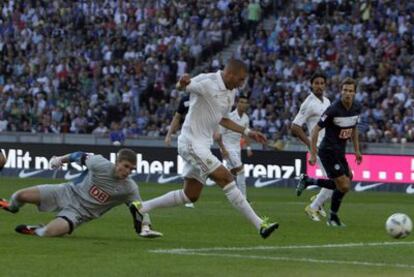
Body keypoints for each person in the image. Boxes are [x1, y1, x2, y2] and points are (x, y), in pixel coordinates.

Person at [130, 59, 278, 239]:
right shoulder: (207, 82)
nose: (241, 84)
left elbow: (223, 119)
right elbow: (182, 87)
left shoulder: (231, 93)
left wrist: (248, 132)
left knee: (190, 195)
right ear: (230, 74)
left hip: (203, 145)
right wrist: (181, 82)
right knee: (227, 177)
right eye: (240, 79)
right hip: (191, 143)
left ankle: (141, 207)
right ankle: (260, 225)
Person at [0, 148, 163, 238]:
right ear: (117, 162)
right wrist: (59, 160)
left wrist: (146, 227)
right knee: (20, 196)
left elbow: (139, 208)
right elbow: (79, 155)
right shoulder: (100, 164)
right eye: (125, 166)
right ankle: (11, 207)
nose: (127, 171)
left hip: (79, 213)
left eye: (132, 169)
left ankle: (35, 230)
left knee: (49, 233)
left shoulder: (129, 188)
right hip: (66, 192)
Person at [296, 78, 362, 227]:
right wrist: (313, 153)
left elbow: (354, 128)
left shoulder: (357, 108)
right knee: (343, 186)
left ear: (355, 93)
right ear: (341, 91)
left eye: (350, 91)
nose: (347, 93)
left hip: (340, 152)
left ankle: (309, 181)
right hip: (328, 151)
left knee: (348, 179)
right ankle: (333, 217)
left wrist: (357, 150)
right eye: (345, 90)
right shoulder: (333, 109)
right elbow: (315, 130)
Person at [291, 71, 332, 222]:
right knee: (335, 181)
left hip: (330, 146)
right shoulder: (308, 103)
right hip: (319, 147)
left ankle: (316, 197)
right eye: (316, 83)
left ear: (325, 85)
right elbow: (295, 127)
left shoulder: (327, 101)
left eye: (322, 83)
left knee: (342, 180)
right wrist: (311, 145)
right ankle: (313, 206)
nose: (319, 86)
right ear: (311, 85)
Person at [215, 95, 253, 198]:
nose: (243, 104)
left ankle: (214, 176)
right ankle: (243, 198)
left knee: (232, 173)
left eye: (245, 102)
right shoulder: (229, 117)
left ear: (247, 105)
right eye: (241, 102)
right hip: (227, 146)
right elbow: (218, 136)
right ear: (237, 103)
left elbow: (245, 134)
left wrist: (248, 148)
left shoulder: (246, 118)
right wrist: (223, 150)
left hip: (237, 148)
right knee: (241, 170)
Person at [164, 95, 195, 208]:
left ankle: (187, 194)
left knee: (194, 166)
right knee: (191, 164)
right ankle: (187, 195)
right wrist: (169, 135)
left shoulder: (204, 96)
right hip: (187, 136)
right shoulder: (185, 100)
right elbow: (177, 117)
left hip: (202, 136)